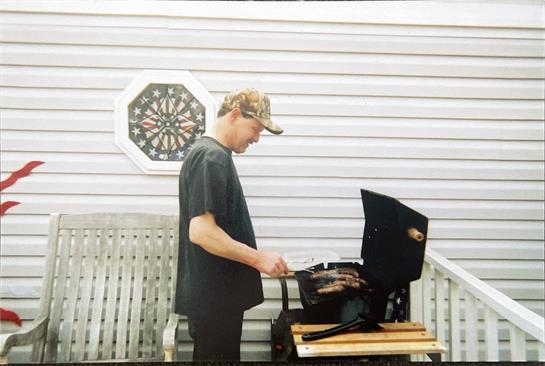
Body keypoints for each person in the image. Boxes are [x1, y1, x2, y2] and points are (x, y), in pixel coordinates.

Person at [174, 88, 290, 361]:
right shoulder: (210, 158)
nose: (257, 138)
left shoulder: (215, 155)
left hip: (217, 298)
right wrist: (259, 259)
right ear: (235, 115)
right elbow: (202, 231)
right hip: (215, 299)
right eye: (255, 128)